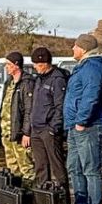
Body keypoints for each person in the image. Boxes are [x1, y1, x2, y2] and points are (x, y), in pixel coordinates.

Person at [64, 34, 102, 204]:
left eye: (75, 46)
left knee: (91, 170)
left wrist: (81, 121)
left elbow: (91, 95)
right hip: (75, 126)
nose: (72, 49)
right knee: (74, 168)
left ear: (83, 48)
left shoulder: (92, 68)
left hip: (88, 126)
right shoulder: (82, 67)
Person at [22, 47, 68, 187]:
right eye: (34, 64)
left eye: (39, 65)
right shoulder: (38, 80)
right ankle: (42, 198)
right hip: (36, 129)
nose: (36, 68)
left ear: (46, 63)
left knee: (57, 166)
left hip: (49, 130)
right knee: (40, 166)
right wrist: (29, 128)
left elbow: (60, 106)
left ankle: (61, 197)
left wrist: (53, 128)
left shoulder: (57, 79)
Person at [1, 52, 35, 184]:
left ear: (16, 65)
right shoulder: (8, 82)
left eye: (8, 64)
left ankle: (30, 193)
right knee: (12, 165)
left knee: (25, 165)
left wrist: (27, 132)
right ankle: (16, 195)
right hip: (6, 131)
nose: (6, 67)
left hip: (19, 132)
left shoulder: (27, 83)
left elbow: (29, 110)